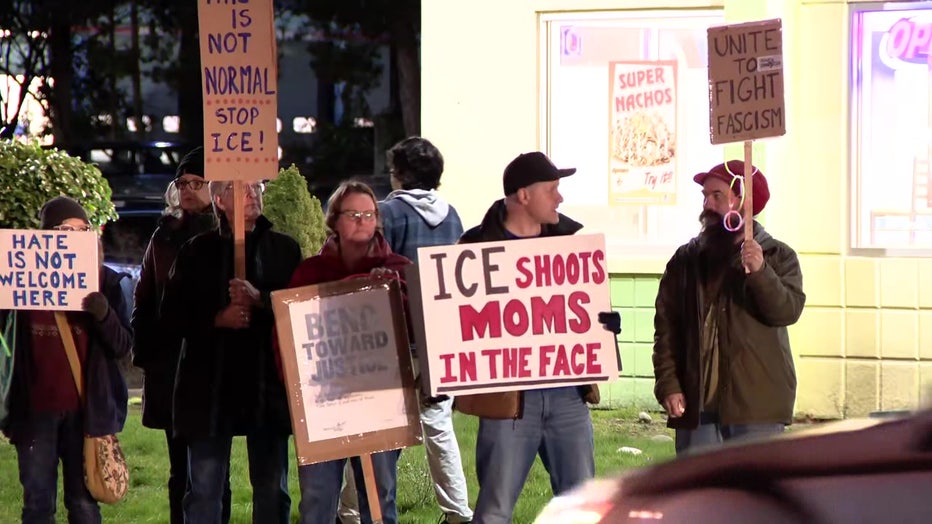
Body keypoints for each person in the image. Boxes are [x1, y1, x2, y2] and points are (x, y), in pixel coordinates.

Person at [456, 152, 620, 524]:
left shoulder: (571, 244)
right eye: (552, 190)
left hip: (567, 395)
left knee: (582, 507)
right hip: (508, 398)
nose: (559, 198)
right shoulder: (474, 249)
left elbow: (584, 309)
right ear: (523, 195)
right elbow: (459, 323)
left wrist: (603, 324)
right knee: (495, 508)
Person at [160, 178, 302, 524]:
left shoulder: (284, 249)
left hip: (266, 387)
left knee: (272, 488)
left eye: (257, 187)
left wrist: (261, 299)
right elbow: (171, 317)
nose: (253, 194)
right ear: (220, 201)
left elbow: (300, 309)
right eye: (242, 189)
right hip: (209, 389)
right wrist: (216, 319)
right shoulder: (195, 251)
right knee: (205, 490)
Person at [652, 160, 805, 455]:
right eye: (705, 196)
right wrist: (669, 384)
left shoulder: (777, 256)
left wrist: (760, 273)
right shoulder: (686, 261)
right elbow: (666, 327)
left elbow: (787, 311)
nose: (707, 203)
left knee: (752, 498)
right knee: (699, 498)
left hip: (756, 408)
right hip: (697, 409)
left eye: (717, 195)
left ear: (742, 202)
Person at [1, 196, 132, 524]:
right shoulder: (19, 285)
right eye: (64, 229)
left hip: (87, 416)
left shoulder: (109, 283)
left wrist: (103, 315)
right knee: (37, 504)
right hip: (33, 413)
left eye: (82, 229)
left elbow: (123, 347)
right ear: (45, 235)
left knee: (84, 505)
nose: (74, 237)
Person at [287, 180, 410, 524]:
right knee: (317, 498)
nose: (362, 221)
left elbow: (418, 329)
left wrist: (394, 292)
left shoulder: (399, 268)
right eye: (353, 214)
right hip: (322, 403)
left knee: (379, 496)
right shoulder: (310, 273)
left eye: (369, 214)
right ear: (334, 220)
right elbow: (286, 333)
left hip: (380, 401)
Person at [131, 147, 231, 524]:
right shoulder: (164, 235)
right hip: (170, 364)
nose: (189, 189)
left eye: (198, 182)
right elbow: (145, 294)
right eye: (183, 182)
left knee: (212, 471)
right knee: (180, 469)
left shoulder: (227, 236)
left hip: (212, 364)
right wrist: (147, 352)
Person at [379, 137, 472, 524]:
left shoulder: (386, 213)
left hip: (396, 338)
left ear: (400, 174)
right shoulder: (452, 217)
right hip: (440, 339)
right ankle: (458, 511)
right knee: (439, 427)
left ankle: (352, 511)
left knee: (379, 433)